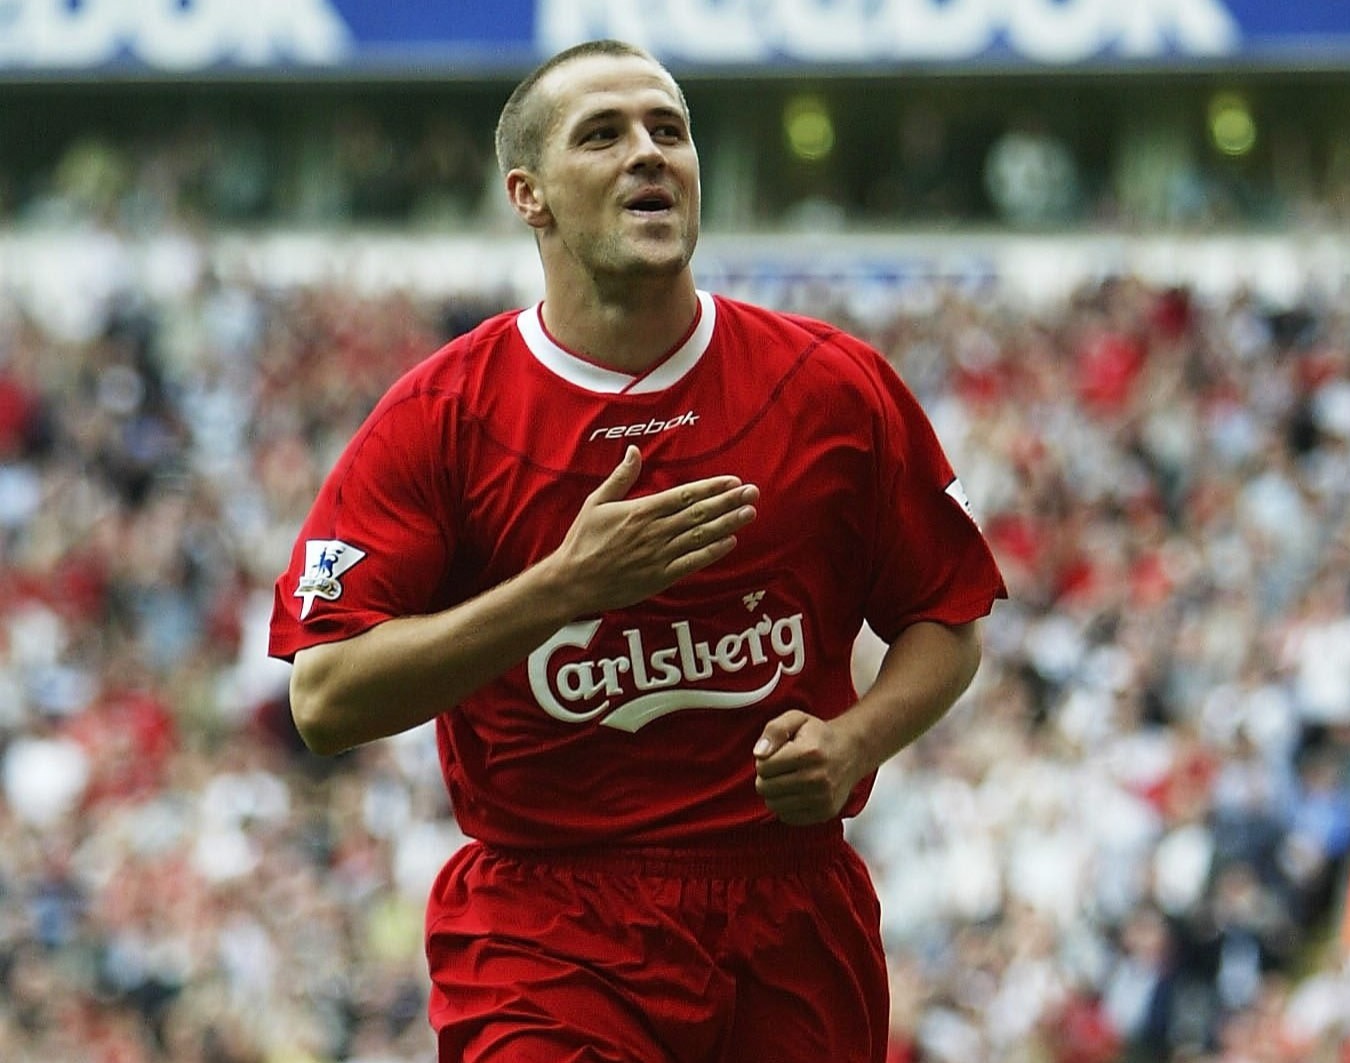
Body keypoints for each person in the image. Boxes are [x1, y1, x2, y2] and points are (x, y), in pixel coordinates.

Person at [268, 38, 1006, 1063]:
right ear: (529, 195)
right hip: (548, 922)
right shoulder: (441, 417)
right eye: (604, 135)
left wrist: (856, 741)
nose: (650, 154)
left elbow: (948, 618)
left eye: (671, 130)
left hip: (787, 912)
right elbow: (325, 699)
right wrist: (564, 588)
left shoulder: (832, 386)